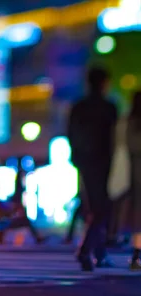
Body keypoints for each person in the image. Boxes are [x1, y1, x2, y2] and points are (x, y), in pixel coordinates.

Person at [67, 67, 118, 271]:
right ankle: (87, 250)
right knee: (102, 208)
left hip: (85, 162)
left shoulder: (79, 107)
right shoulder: (108, 107)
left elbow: (71, 133)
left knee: (94, 206)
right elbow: (114, 138)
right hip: (104, 162)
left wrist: (77, 157)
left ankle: (96, 251)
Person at [126, 91, 141, 270]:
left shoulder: (128, 123)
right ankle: (136, 255)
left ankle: (136, 254)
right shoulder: (134, 124)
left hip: (134, 175)